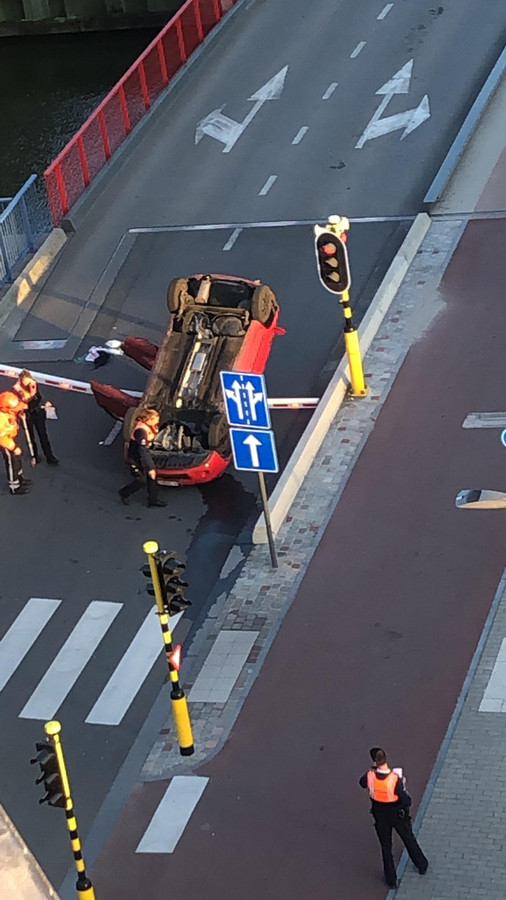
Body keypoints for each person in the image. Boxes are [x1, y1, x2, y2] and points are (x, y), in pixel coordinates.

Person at [359, 747, 428, 889]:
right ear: (386, 759)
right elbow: (406, 800)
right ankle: (421, 865)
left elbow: (362, 783)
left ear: (374, 761)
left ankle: (391, 880)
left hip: (380, 815)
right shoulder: (394, 778)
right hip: (397, 814)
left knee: (386, 846)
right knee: (408, 838)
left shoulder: (370, 775)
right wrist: (403, 785)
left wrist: (372, 770)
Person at [119, 407, 166, 508]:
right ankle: (124, 493)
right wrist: (151, 466)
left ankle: (153, 500)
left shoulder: (149, 426)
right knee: (142, 480)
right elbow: (142, 450)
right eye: (155, 419)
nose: (158, 421)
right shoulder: (141, 431)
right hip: (136, 459)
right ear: (149, 419)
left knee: (151, 479)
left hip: (142, 456)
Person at [13, 370, 59, 466]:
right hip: (27, 415)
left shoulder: (33, 384)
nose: (26, 383)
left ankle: (49, 457)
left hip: (37, 413)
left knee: (43, 435)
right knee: (30, 437)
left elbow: (34, 397)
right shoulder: (18, 388)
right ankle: (35, 455)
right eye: (24, 381)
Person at [0, 389, 34, 495]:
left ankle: (19, 478)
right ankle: (14, 486)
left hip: (10, 438)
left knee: (17, 459)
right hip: (6, 442)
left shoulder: (7, 408)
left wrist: (21, 411)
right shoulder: (1, 420)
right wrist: (14, 448)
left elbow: (18, 407)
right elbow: (2, 439)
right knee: (11, 462)